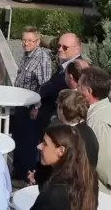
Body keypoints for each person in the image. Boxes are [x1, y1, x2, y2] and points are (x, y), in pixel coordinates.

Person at [11, 26, 54, 181]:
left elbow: (44, 86)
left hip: (31, 108)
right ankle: (18, 170)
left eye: (30, 40)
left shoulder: (42, 58)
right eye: (24, 40)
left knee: (28, 143)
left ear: (38, 41)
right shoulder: (27, 54)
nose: (26, 43)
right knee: (18, 139)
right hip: (20, 104)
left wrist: (36, 107)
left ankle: (26, 175)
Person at [31, 89, 99, 187]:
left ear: (61, 110)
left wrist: (37, 177)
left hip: (64, 188)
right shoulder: (89, 132)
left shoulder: (66, 137)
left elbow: (57, 165)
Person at [31, 124, 99, 210]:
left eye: (45, 144)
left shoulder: (52, 196)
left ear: (61, 151)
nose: (39, 146)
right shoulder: (89, 177)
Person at [35, 33, 84, 129]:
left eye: (65, 47)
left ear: (77, 49)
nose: (60, 49)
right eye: (59, 46)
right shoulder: (64, 65)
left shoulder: (77, 69)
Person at [79, 66, 111, 194]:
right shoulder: (105, 109)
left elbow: (106, 165)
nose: (76, 90)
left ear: (88, 91)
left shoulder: (98, 123)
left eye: (79, 87)